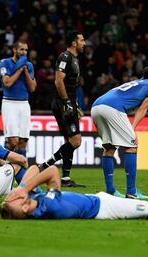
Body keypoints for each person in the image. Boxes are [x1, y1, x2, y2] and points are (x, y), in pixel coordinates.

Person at [0, 165, 148, 221]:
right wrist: (23, 189)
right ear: (22, 212)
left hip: (98, 198)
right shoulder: (46, 206)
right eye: (19, 206)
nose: (22, 202)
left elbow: (31, 168)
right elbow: (51, 171)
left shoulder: (35, 200)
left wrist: (21, 190)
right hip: (103, 209)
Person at [90, 65, 148, 200]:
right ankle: (131, 191)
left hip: (96, 106)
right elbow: (142, 109)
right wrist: (132, 129)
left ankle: (110, 190)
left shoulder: (135, 82)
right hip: (113, 108)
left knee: (109, 148)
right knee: (131, 146)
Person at [38, 30, 86, 187]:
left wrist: (74, 103)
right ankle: (45, 166)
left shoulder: (74, 59)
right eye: (82, 40)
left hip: (69, 101)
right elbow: (59, 81)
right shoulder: (65, 57)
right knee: (76, 141)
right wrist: (66, 102)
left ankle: (65, 178)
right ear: (74, 43)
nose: (84, 43)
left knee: (70, 140)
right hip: (62, 103)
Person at [0, 40, 36, 185]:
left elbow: (32, 88)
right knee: (13, 141)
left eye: (26, 50)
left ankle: (21, 178)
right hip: (9, 103)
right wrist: (20, 69)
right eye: (21, 50)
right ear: (14, 50)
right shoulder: (5, 63)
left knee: (22, 142)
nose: (24, 53)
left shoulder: (29, 66)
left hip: (24, 104)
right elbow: (7, 83)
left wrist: (25, 70)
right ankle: (3, 170)